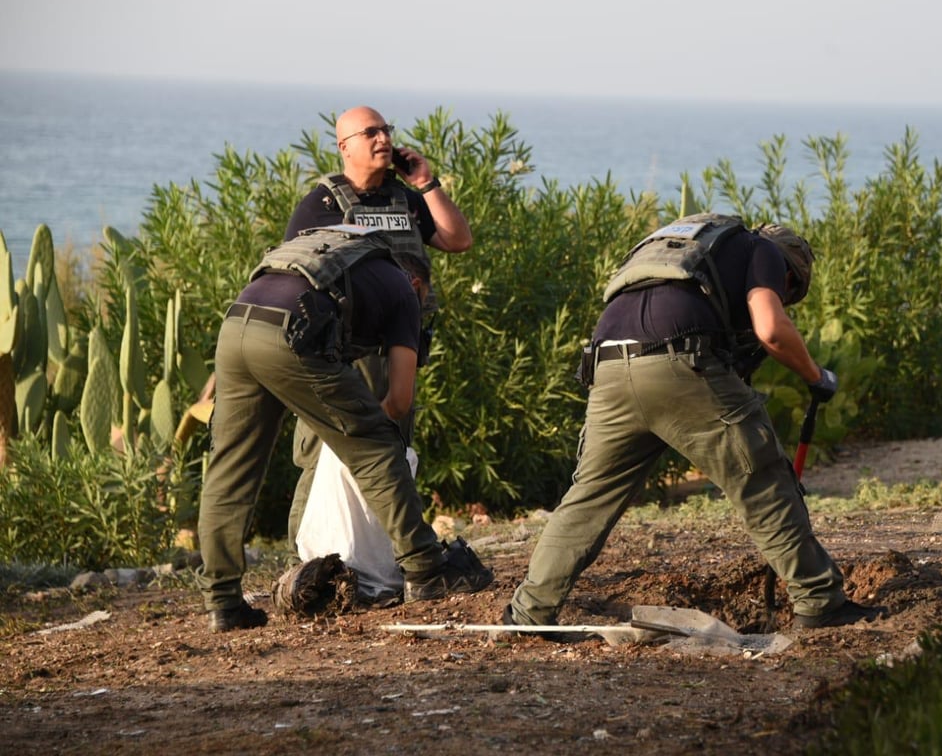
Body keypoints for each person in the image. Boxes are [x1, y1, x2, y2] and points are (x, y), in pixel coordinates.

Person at [505, 213, 885, 632]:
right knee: (763, 477)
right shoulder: (765, 252)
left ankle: (529, 612)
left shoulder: (694, 250)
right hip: (678, 362)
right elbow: (771, 329)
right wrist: (815, 376)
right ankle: (820, 602)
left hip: (608, 368)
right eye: (788, 293)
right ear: (791, 275)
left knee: (588, 499)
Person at [198, 225, 492, 633]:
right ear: (419, 282)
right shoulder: (406, 292)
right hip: (292, 330)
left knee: (231, 470)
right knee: (376, 447)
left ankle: (223, 603)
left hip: (237, 325)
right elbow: (399, 402)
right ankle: (426, 568)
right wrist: (358, 438)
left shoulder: (351, 270)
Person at [283, 106, 473, 560]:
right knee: (323, 452)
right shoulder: (324, 204)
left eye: (386, 130)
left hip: (398, 346)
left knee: (390, 449)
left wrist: (425, 183)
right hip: (343, 352)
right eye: (369, 133)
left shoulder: (404, 199)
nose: (382, 139)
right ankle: (303, 559)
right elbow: (295, 272)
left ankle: (380, 554)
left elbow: (457, 239)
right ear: (344, 146)